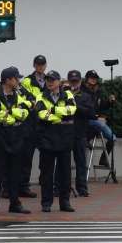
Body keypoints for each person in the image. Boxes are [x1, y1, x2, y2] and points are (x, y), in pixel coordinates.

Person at [0, 66, 33, 215]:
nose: (18, 81)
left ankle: (15, 203)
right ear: (7, 80)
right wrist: (15, 115)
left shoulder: (19, 95)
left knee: (15, 172)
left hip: (16, 137)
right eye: (16, 78)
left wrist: (11, 112)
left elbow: (26, 112)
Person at [36, 70, 77, 212]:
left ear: (59, 81)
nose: (49, 82)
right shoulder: (40, 96)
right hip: (47, 140)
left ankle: (65, 202)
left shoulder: (68, 94)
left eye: (52, 80)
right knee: (46, 174)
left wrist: (52, 111)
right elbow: (42, 115)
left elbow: (71, 110)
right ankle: (46, 203)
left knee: (65, 173)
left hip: (65, 139)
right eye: (47, 80)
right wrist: (60, 115)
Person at [16, 55, 48, 198]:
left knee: (47, 155)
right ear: (34, 65)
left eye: (42, 64)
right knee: (26, 157)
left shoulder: (49, 79)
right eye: (38, 64)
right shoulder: (27, 81)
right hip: (30, 123)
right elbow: (23, 98)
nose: (40, 67)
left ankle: (45, 181)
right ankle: (23, 186)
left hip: (45, 123)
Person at [66, 70, 95, 197]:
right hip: (65, 133)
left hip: (80, 133)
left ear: (80, 81)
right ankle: (60, 187)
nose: (74, 84)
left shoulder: (86, 96)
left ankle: (82, 188)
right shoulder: (63, 95)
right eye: (72, 81)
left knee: (81, 162)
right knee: (63, 163)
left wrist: (76, 107)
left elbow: (91, 113)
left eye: (76, 81)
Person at [82, 70, 117, 167]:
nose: (93, 80)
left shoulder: (97, 91)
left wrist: (109, 102)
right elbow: (84, 108)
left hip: (96, 120)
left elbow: (101, 106)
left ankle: (103, 159)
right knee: (100, 124)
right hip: (85, 120)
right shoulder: (82, 90)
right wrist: (96, 117)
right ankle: (85, 139)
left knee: (113, 138)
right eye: (91, 78)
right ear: (86, 79)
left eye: (95, 78)